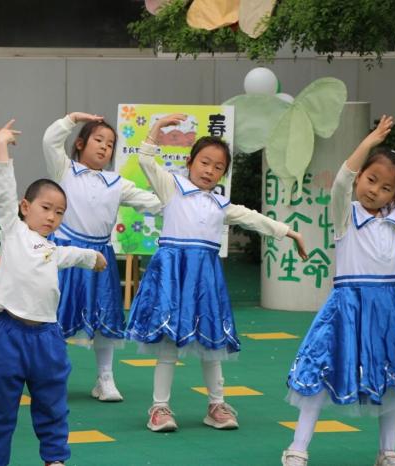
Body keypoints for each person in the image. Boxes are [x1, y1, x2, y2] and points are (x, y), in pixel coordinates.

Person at [280, 115, 395, 466]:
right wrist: (370, 141)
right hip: (347, 308)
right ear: (360, 176)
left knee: (392, 377)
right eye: (370, 179)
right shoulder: (344, 214)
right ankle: (297, 448)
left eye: (385, 188)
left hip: (388, 310)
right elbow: (341, 181)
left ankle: (388, 451)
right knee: (321, 373)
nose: (374, 190)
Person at [128, 113, 307, 433]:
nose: (210, 170)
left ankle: (216, 405)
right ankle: (159, 408)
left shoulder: (220, 204)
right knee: (169, 343)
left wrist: (289, 232)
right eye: (205, 162)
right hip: (173, 277)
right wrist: (157, 127)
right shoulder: (171, 188)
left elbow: (253, 218)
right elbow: (145, 160)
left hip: (205, 280)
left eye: (218, 167)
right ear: (190, 162)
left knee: (212, 343)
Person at [0, 119, 107, 466]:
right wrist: (1, 146)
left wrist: (93, 257)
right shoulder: (13, 231)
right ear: (25, 207)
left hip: (47, 338)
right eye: (45, 208)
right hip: (8, 335)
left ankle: (55, 459)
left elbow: (72, 254)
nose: (52, 217)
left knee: (52, 406)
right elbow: (4, 189)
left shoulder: (52, 248)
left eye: (59, 212)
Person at [42, 112, 161, 401]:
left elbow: (154, 203)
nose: (104, 147)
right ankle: (49, 377)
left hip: (100, 256)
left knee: (105, 315)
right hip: (66, 253)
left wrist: (186, 198)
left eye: (110, 144)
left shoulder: (116, 183)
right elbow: (50, 140)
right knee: (55, 315)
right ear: (80, 143)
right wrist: (73, 118)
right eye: (98, 140)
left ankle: (105, 378)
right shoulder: (64, 170)